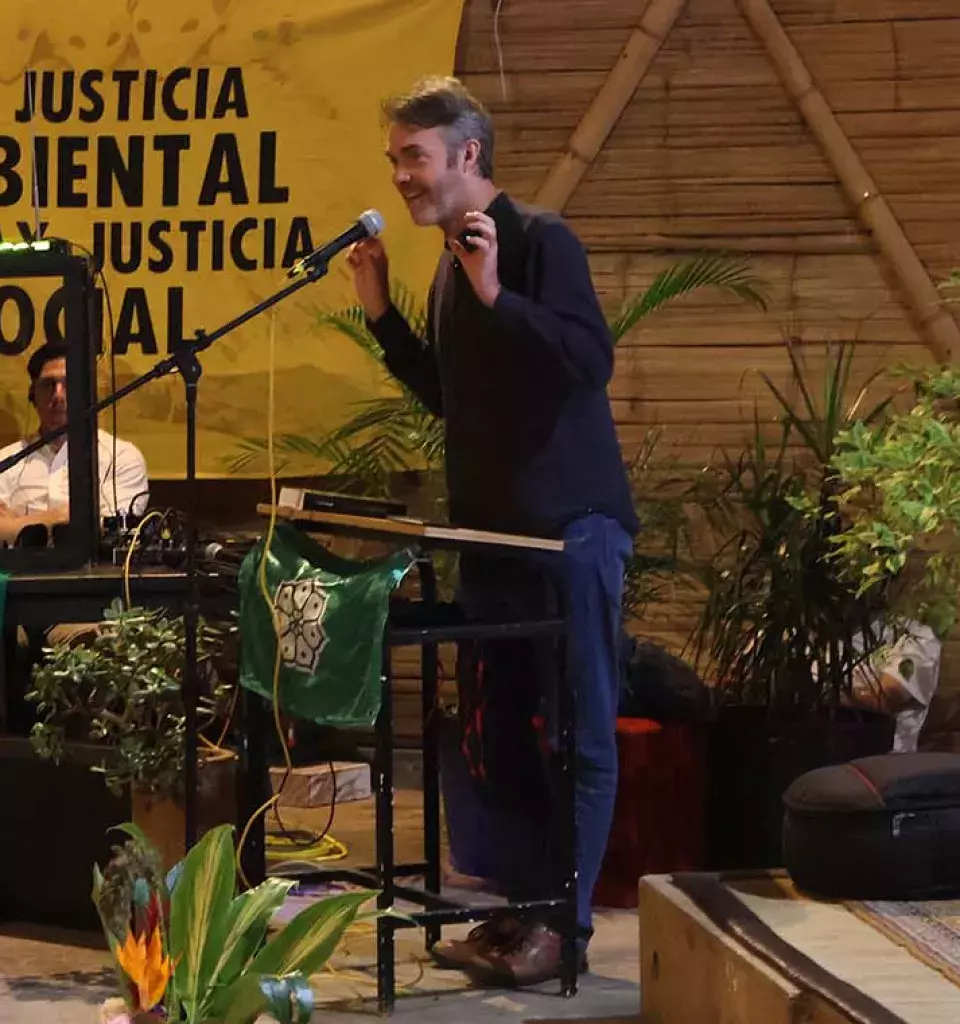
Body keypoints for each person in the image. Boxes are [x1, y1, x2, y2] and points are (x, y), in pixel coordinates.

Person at [345, 76, 636, 986]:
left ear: (468, 155)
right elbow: (454, 403)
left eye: (413, 157)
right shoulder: (445, 262)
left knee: (578, 730)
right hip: (494, 541)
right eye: (395, 159)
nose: (400, 177)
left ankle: (568, 926)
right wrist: (385, 315)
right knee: (500, 735)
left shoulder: (541, 240)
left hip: (572, 532)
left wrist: (499, 291)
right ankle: (517, 916)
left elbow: (589, 363)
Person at [0, 342, 149, 543]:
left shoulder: (121, 457)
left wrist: (15, 524)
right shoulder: (2, 462)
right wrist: (61, 518)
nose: (58, 395)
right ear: (33, 394)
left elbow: (109, 529)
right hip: (16, 573)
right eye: (48, 385)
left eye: (69, 384)